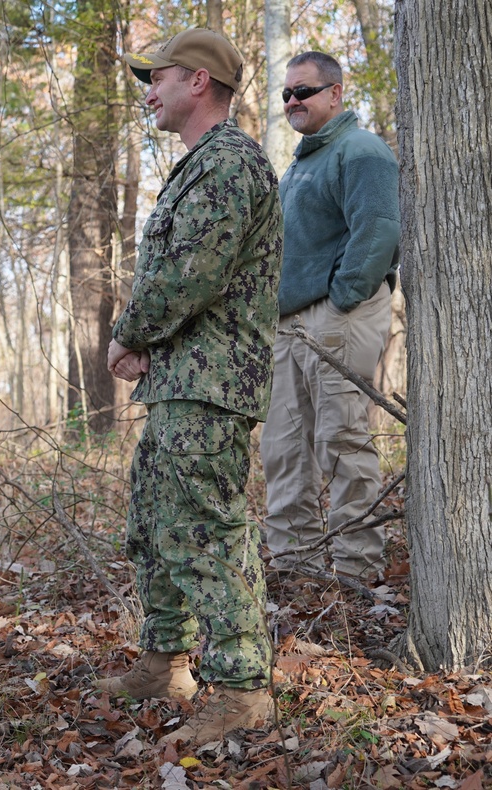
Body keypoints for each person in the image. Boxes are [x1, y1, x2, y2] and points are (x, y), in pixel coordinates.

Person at [96, 28, 282, 746]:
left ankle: (239, 687)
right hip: (184, 380)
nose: (149, 91)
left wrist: (129, 332)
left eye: (159, 77)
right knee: (157, 524)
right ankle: (165, 658)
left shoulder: (229, 164)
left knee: (206, 531)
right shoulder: (199, 165)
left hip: (211, 385)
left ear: (198, 82)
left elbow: (189, 275)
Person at [261, 52, 399, 578]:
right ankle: (299, 571)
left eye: (305, 91)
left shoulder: (361, 151)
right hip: (289, 322)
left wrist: (340, 299)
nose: (293, 101)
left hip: (339, 313)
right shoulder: (300, 162)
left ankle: (356, 571)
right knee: (283, 448)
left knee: (340, 440)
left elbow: (379, 229)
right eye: (287, 94)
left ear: (336, 93)